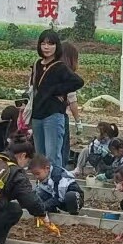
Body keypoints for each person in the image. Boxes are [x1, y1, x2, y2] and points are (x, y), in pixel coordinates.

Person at [28, 30, 82, 179]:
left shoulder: (60, 67)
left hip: (53, 115)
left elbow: (77, 82)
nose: (46, 47)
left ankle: (57, 186)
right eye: (43, 43)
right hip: (37, 114)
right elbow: (33, 89)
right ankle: (43, 186)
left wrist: (56, 91)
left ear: (56, 46)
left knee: (53, 156)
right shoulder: (37, 64)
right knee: (40, 156)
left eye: (50, 44)